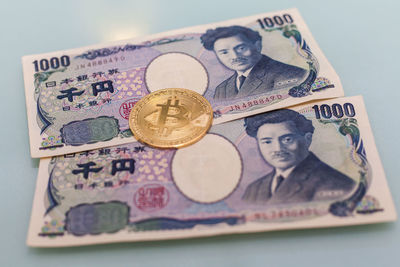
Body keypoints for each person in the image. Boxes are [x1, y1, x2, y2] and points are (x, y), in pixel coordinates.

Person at [242, 109, 356, 204]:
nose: (278, 149)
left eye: (287, 139)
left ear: (307, 139)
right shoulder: (253, 189)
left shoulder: (336, 184)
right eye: (267, 142)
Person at [201, 25, 308, 100]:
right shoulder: (221, 89)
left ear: (257, 46)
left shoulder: (291, 74)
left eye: (241, 48)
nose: (235, 56)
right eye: (224, 52)